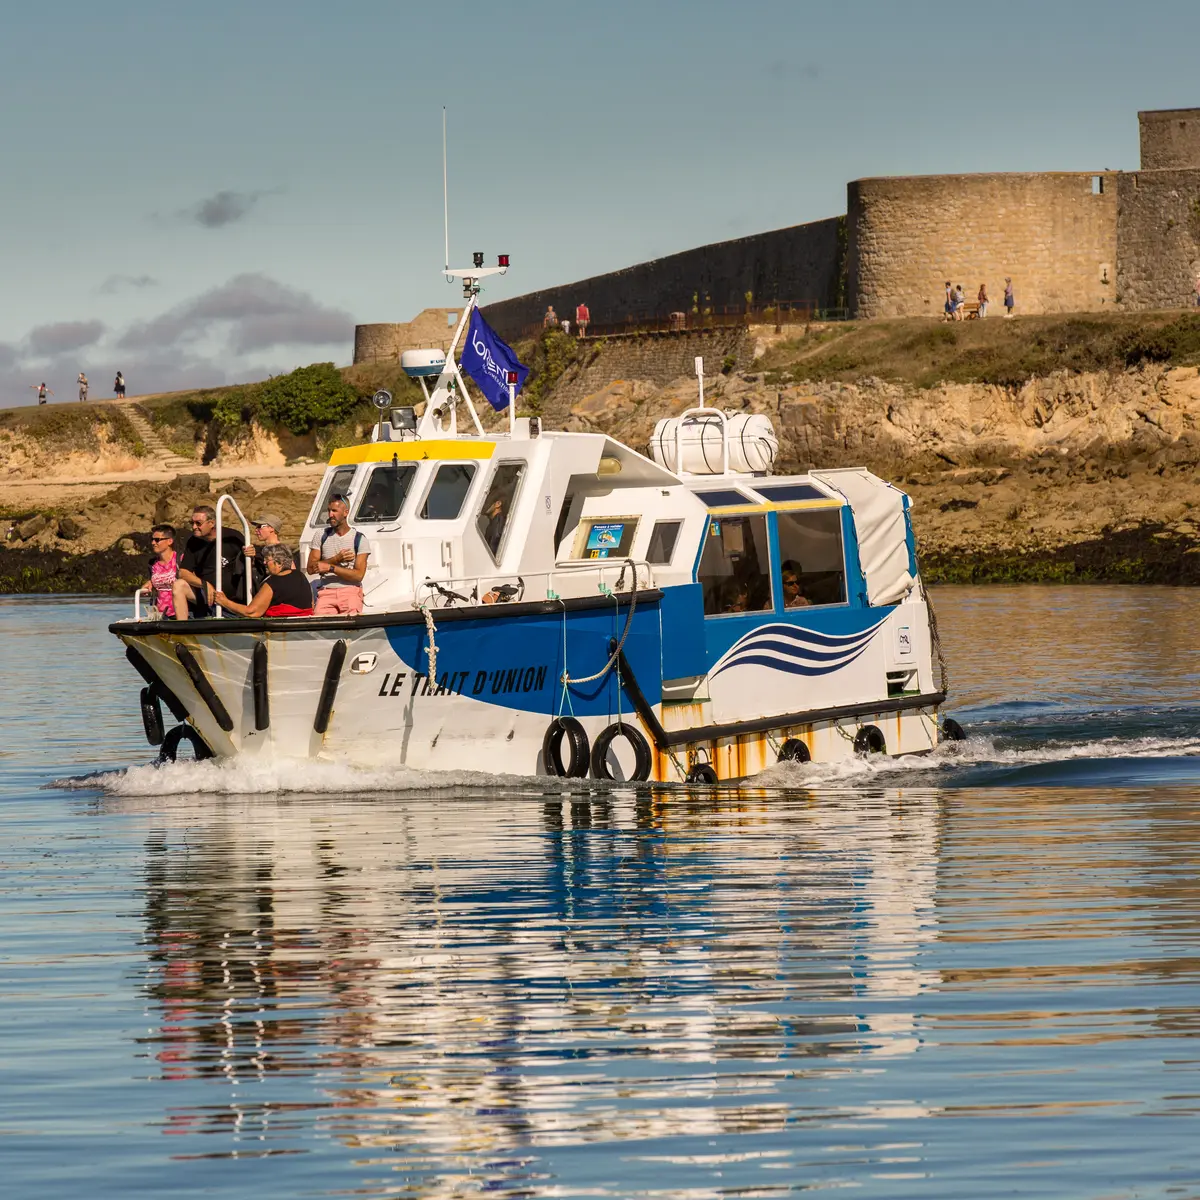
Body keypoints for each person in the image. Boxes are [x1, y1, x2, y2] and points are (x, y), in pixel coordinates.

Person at [172, 504, 245, 620]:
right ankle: (183, 630)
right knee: (178, 585)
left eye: (198, 523)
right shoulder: (193, 542)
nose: (194, 527)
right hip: (207, 596)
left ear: (211, 523)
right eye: (192, 523)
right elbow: (183, 573)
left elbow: (251, 565)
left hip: (233, 599)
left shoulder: (232, 537)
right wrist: (205, 585)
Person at [306, 495, 370, 615]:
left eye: (334, 511)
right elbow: (310, 568)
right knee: (321, 626)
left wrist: (331, 568)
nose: (330, 515)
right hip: (326, 593)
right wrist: (336, 559)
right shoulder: (321, 536)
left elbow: (358, 576)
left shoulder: (359, 539)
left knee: (351, 630)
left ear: (346, 512)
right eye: (329, 510)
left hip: (351, 593)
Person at [215, 544, 313, 617]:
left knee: (219, 611)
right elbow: (311, 604)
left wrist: (225, 602)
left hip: (277, 629)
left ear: (279, 563)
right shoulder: (301, 576)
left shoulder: (273, 582)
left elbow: (251, 612)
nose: (264, 562)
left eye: (267, 560)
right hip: (301, 624)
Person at [140, 523, 178, 618]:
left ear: (170, 541)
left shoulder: (181, 560)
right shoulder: (153, 563)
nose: (153, 543)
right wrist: (149, 583)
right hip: (159, 615)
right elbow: (153, 581)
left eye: (157, 540)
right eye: (152, 540)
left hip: (179, 613)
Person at [243, 512, 285, 594]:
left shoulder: (281, 550)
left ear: (272, 529)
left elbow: (290, 573)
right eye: (256, 527)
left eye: (259, 527)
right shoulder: (263, 550)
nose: (256, 530)